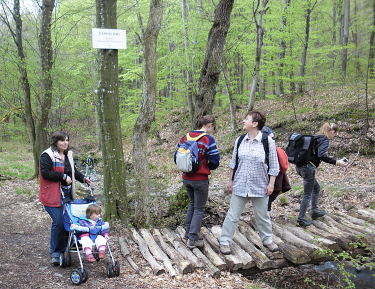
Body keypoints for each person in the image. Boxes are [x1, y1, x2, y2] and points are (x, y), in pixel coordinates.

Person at [219, 111, 280, 255]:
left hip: (260, 185)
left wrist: (271, 184)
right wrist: (230, 180)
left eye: (246, 119)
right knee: (233, 215)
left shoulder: (267, 141)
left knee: (262, 215)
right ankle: (224, 242)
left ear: (255, 124)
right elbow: (234, 162)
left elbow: (274, 165)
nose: (243, 121)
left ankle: (268, 240)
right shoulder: (240, 140)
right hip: (240, 184)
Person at [39, 131, 91, 265]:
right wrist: (62, 177)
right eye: (62, 140)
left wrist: (84, 179)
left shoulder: (68, 155)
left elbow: (73, 172)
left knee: (66, 222)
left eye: (67, 140)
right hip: (51, 195)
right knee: (59, 222)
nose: (65, 143)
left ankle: (57, 248)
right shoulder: (47, 155)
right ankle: (57, 253)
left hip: (66, 194)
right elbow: (45, 174)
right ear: (55, 142)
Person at [174, 115, 220, 249]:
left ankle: (188, 233)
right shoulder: (208, 139)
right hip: (200, 180)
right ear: (210, 125)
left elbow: (176, 157)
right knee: (199, 208)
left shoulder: (185, 137)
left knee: (192, 204)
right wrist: (206, 167)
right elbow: (215, 160)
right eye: (213, 127)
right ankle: (193, 239)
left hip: (186, 178)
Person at [296, 123, 348, 226]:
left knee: (316, 188)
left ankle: (315, 211)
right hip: (308, 169)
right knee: (307, 194)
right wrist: (337, 162)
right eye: (335, 134)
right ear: (332, 131)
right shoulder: (324, 139)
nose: (334, 136)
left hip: (299, 167)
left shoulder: (314, 137)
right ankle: (300, 220)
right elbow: (321, 155)